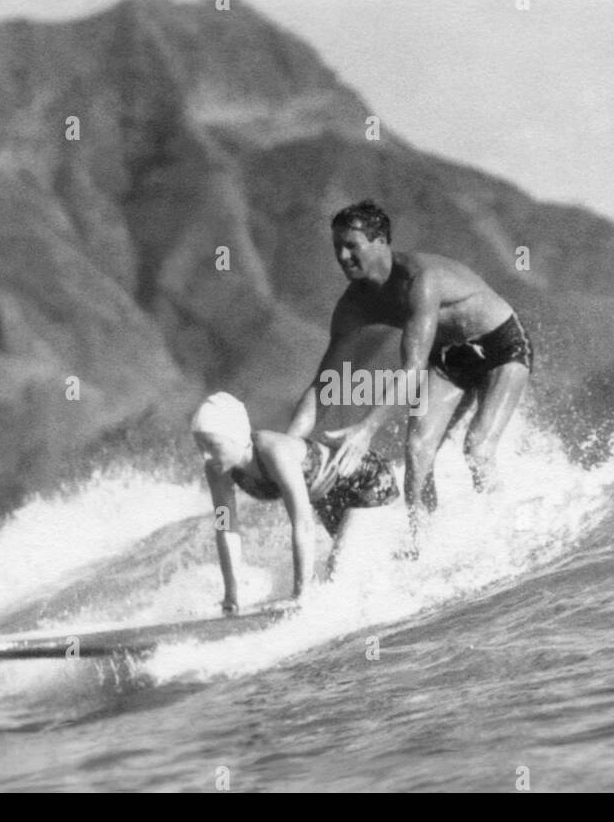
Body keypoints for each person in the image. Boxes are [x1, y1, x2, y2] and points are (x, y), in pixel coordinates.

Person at [286, 199, 533, 550]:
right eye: (337, 247)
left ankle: (509, 539)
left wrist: (366, 429)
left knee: (477, 448)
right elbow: (325, 384)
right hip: (451, 361)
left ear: (381, 242)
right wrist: (291, 442)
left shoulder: (421, 280)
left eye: (351, 246)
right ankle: (424, 547)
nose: (342, 256)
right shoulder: (353, 306)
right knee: (417, 451)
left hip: (501, 347)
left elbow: (413, 366)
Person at [191, 392, 399, 615]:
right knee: (355, 573)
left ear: (237, 436)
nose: (206, 455)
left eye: (212, 445)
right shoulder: (217, 469)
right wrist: (231, 596)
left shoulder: (274, 452)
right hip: (328, 500)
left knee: (339, 572)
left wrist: (300, 595)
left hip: (367, 483)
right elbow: (226, 528)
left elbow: (302, 524)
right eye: (200, 446)